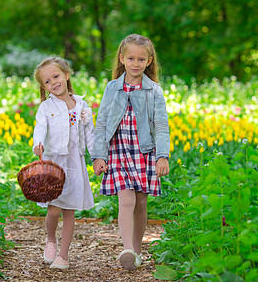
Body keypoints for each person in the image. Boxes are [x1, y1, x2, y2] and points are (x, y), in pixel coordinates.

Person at [92, 34, 170, 270]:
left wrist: (162, 156)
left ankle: (136, 251)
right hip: (119, 151)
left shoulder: (154, 91)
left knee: (141, 202)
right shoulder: (112, 88)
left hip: (144, 152)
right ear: (122, 58)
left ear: (149, 61)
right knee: (126, 199)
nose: (135, 63)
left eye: (141, 59)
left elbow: (162, 125)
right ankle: (127, 248)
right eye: (131, 58)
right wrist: (99, 155)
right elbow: (103, 122)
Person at [32, 56, 95, 269]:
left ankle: (63, 256)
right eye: (48, 81)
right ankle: (51, 239)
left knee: (69, 211)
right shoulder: (46, 107)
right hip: (54, 164)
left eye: (56, 76)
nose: (54, 82)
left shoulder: (82, 106)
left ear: (67, 75)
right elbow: (40, 127)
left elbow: (89, 134)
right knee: (54, 209)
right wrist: (38, 143)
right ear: (44, 87)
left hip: (74, 163)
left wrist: (96, 158)